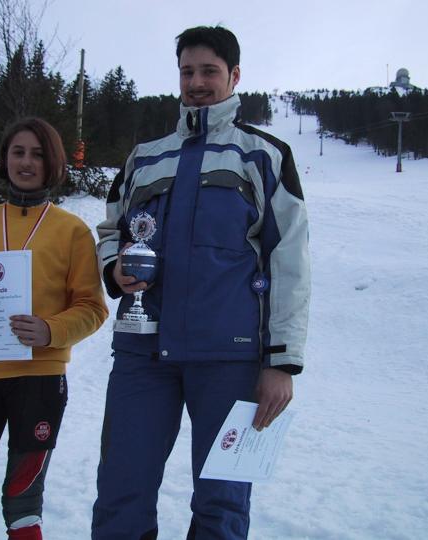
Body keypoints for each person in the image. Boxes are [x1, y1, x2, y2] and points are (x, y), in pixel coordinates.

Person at [92, 26, 311, 540]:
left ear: (234, 76)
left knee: (222, 498)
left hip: (229, 358)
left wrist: (281, 362)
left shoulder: (264, 155)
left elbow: (289, 260)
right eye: (187, 71)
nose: (196, 82)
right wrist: (115, 267)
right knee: (122, 489)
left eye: (209, 71)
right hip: (143, 355)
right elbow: (111, 229)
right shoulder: (145, 157)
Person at [0, 117, 108, 540]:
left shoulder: (72, 231)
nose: (26, 163)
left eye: (37, 154)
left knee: (22, 503)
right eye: (18, 152)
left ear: (53, 163)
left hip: (39, 378)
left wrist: (50, 330)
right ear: (5, 159)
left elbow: (92, 308)